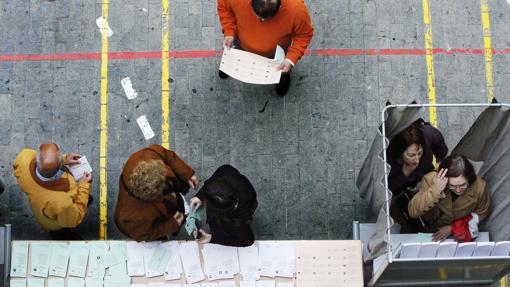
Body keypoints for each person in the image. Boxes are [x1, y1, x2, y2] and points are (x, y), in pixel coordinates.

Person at [217, 0, 314, 96]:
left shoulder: (297, 10)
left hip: (276, 55)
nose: (261, 20)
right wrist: (229, 31)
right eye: (256, 14)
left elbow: (304, 35)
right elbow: (224, 7)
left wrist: (291, 59)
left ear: (280, 6)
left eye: (266, 18)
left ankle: (282, 79)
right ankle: (227, 68)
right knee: (229, 61)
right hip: (239, 44)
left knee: (283, 73)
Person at [114, 144, 199, 241]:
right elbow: (144, 235)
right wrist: (170, 226)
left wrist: (187, 174)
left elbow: (166, 155)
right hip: (156, 220)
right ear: (149, 197)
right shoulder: (133, 217)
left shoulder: (144, 157)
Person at [13, 143, 92, 239]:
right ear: (58, 168)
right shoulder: (61, 202)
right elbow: (73, 219)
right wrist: (84, 186)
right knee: (62, 232)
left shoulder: (23, 158)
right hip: (55, 223)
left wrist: (63, 160)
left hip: (40, 209)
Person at [408, 155, 491, 241]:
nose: (458, 190)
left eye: (463, 185)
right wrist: (435, 190)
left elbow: (482, 212)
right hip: (430, 231)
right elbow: (413, 212)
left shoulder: (479, 187)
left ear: (469, 179)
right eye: (453, 186)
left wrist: (452, 228)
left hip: (459, 232)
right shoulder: (431, 179)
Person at [386, 119, 448, 232]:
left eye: (420, 153)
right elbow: (388, 188)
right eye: (411, 155)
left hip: (425, 172)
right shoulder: (389, 160)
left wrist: (440, 159)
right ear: (400, 152)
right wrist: (404, 173)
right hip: (400, 184)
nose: (417, 159)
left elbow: (439, 143)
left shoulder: (428, 135)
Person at [189, 165, 258, 247]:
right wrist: (199, 197)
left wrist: (212, 238)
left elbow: (247, 240)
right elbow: (211, 186)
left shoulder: (239, 216)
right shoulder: (226, 171)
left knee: (223, 229)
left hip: (236, 215)